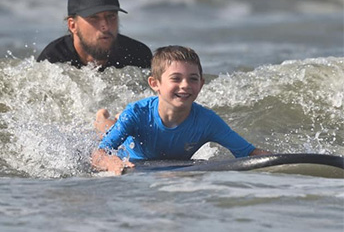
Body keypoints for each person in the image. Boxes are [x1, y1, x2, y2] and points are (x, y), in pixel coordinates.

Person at [91, 45, 271, 175]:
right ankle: (103, 116)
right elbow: (98, 154)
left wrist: (286, 160)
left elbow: (248, 152)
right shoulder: (137, 114)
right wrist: (110, 163)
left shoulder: (207, 121)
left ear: (201, 84)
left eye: (193, 79)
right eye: (176, 78)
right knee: (106, 130)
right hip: (129, 146)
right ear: (155, 84)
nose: (185, 85)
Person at [37, 0, 152, 70]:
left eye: (111, 16)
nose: (105, 26)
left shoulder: (137, 56)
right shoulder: (52, 61)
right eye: (94, 18)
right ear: (72, 25)